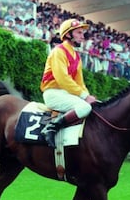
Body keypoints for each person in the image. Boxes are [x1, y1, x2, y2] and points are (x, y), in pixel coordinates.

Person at [40, 18, 97, 148]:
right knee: (85, 107)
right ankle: (51, 128)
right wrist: (84, 97)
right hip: (53, 93)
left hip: (67, 94)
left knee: (94, 106)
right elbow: (62, 79)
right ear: (68, 34)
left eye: (83, 33)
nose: (83, 37)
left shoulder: (76, 56)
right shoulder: (58, 51)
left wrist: (88, 96)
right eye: (79, 33)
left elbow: (79, 82)